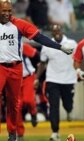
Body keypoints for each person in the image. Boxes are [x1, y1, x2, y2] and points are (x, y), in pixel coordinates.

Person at [0, 1, 73, 141]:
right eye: (4, 11)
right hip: (0, 67)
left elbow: (39, 37)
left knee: (13, 103)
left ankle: (12, 133)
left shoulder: (19, 24)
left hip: (16, 68)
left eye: (9, 10)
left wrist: (59, 47)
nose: (7, 13)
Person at [34, 24, 77, 141]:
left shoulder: (72, 43)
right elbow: (42, 63)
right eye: (54, 30)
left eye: (58, 29)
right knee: (54, 106)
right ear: (52, 33)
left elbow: (78, 59)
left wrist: (79, 71)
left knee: (68, 104)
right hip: (53, 79)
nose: (56, 31)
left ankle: (69, 110)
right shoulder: (47, 45)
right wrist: (37, 78)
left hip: (68, 79)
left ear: (62, 30)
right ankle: (55, 132)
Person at [17, 43, 40, 141]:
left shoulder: (21, 45)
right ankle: (20, 134)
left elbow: (36, 55)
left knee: (28, 100)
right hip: (14, 80)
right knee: (16, 107)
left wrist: (38, 76)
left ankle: (33, 113)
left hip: (28, 77)